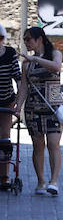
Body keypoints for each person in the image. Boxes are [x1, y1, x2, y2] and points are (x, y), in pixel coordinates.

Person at [18, 26, 63, 196]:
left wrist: (35, 60)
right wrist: (17, 106)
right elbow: (23, 86)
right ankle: (41, 181)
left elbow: (56, 67)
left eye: (29, 39)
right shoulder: (26, 63)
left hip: (53, 108)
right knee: (38, 146)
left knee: (53, 144)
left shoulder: (54, 54)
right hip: (33, 108)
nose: (26, 42)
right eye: (24, 39)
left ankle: (54, 181)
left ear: (39, 39)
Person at [0, 25, 20, 188]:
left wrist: (19, 102)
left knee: (5, 137)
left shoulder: (10, 53)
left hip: (6, 100)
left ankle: (5, 176)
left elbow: (18, 77)